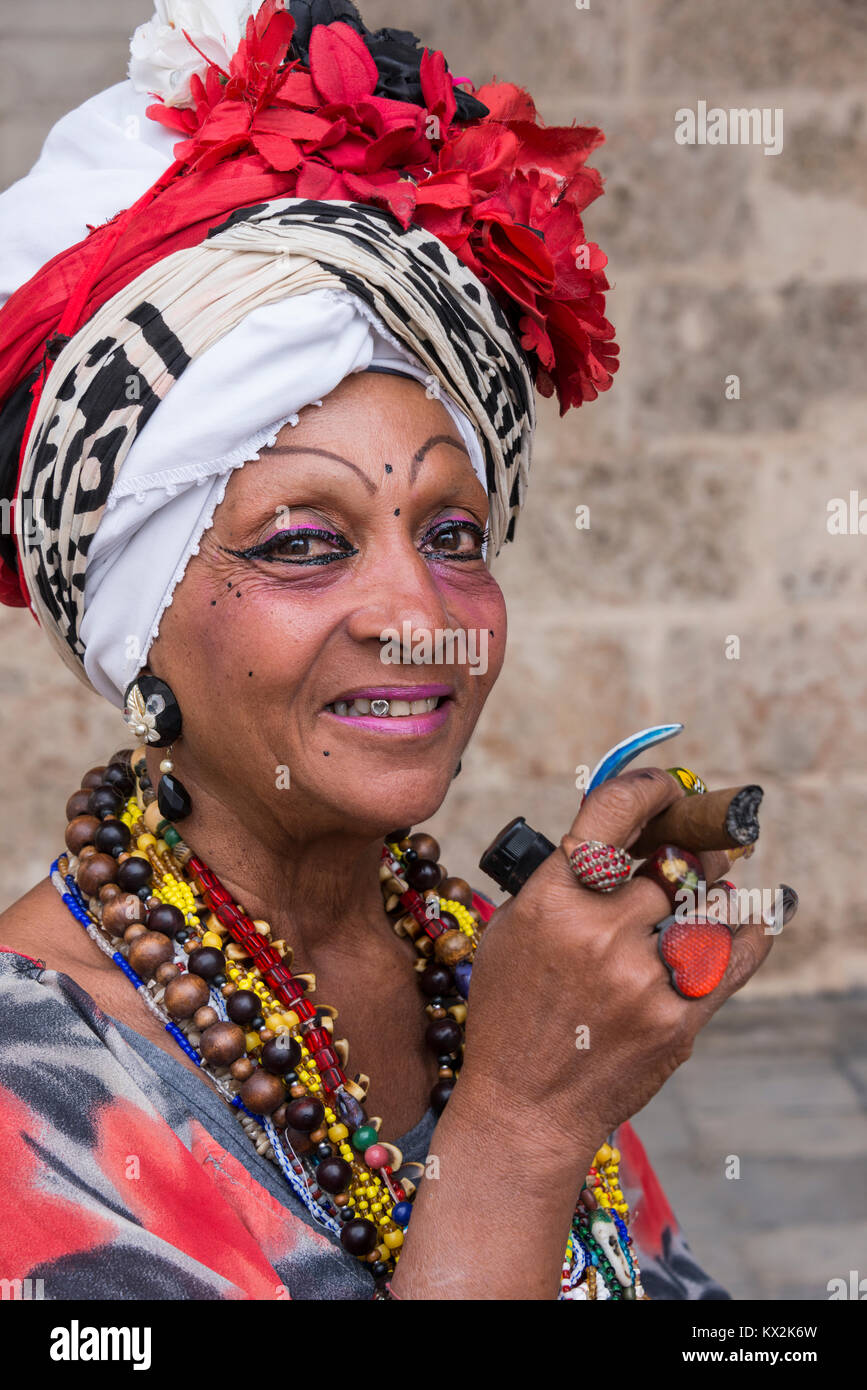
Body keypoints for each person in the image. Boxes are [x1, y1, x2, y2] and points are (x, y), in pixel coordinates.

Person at [0, 1, 781, 1301]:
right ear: (139, 631)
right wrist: (521, 1128)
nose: (417, 608)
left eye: (455, 530)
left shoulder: (477, 958)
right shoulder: (35, 1084)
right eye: (306, 541)